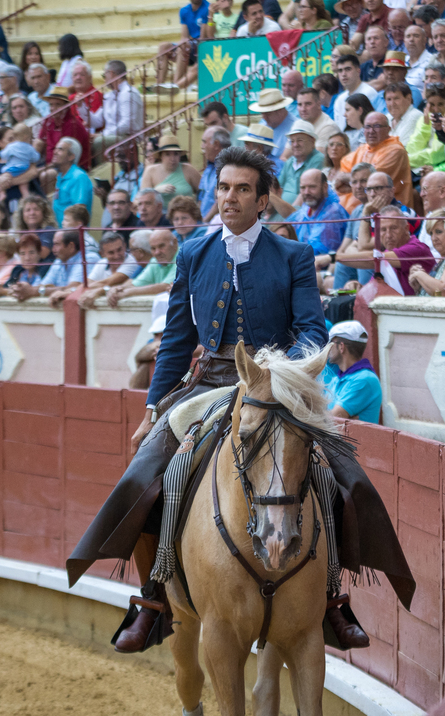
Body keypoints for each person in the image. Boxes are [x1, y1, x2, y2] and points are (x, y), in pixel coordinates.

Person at [69, 146, 401, 656]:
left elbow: (312, 329)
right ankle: (154, 595)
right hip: (209, 384)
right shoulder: (193, 252)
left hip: (276, 388)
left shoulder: (292, 255)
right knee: (146, 474)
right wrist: (153, 409)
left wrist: (278, 374)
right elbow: (178, 340)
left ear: (263, 200)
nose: (230, 198)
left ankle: (331, 594)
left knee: (340, 474)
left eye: (243, 189)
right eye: (223, 188)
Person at [320, 321, 382, 422]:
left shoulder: (364, 380)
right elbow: (324, 415)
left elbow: (331, 420)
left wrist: (332, 416)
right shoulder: (337, 379)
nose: (328, 348)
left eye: (331, 343)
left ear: (341, 347)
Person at [290, 169, 350, 253]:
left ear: (325, 187)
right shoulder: (305, 211)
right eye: (303, 188)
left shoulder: (333, 213)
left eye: (312, 187)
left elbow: (324, 252)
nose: (307, 192)